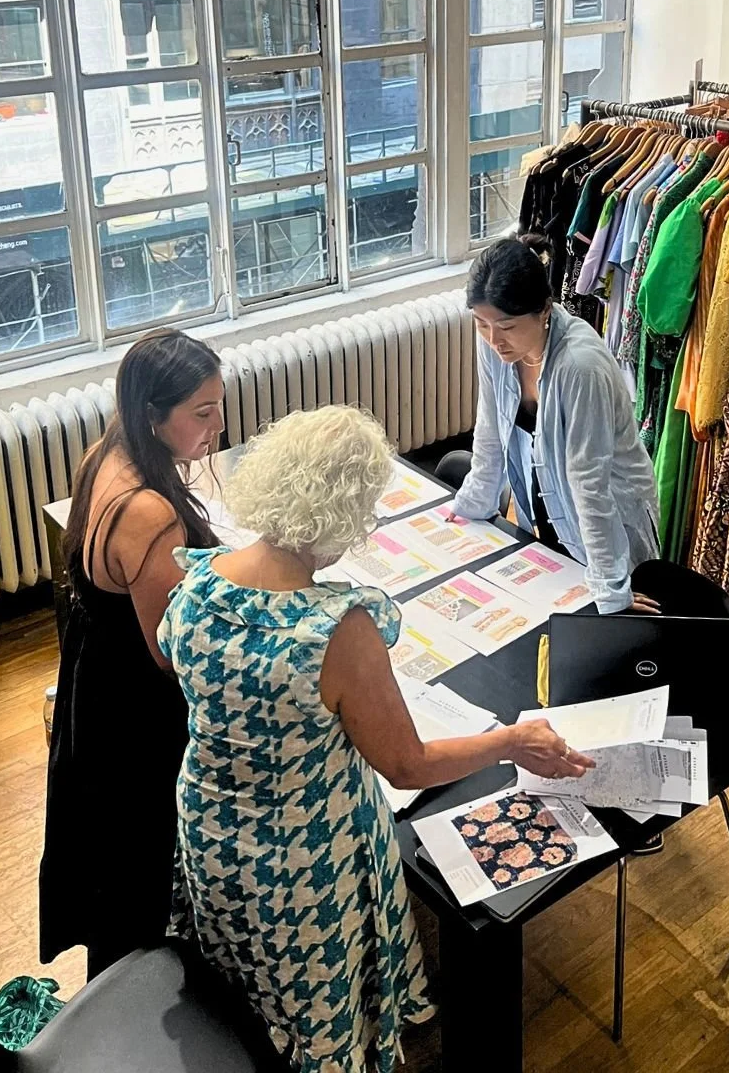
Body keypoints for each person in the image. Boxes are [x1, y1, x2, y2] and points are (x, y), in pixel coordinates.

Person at [159, 405, 591, 1073]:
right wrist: (511, 741)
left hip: (212, 831)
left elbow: (180, 660)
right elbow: (406, 763)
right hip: (304, 860)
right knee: (314, 1009)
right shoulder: (334, 630)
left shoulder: (196, 583)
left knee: (241, 986)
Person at [39, 328, 225, 980]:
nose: (217, 426)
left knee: (111, 879)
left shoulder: (107, 454)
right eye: (202, 413)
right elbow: (176, 654)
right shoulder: (148, 514)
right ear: (154, 413)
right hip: (137, 728)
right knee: (135, 876)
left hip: (96, 697)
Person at [444, 233, 661, 614]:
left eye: (507, 327)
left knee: (596, 635)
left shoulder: (580, 365)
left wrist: (612, 590)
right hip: (545, 501)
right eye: (481, 324)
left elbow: (589, 482)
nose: (494, 339)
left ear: (544, 311)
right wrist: (474, 502)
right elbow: (490, 428)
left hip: (607, 528)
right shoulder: (494, 341)